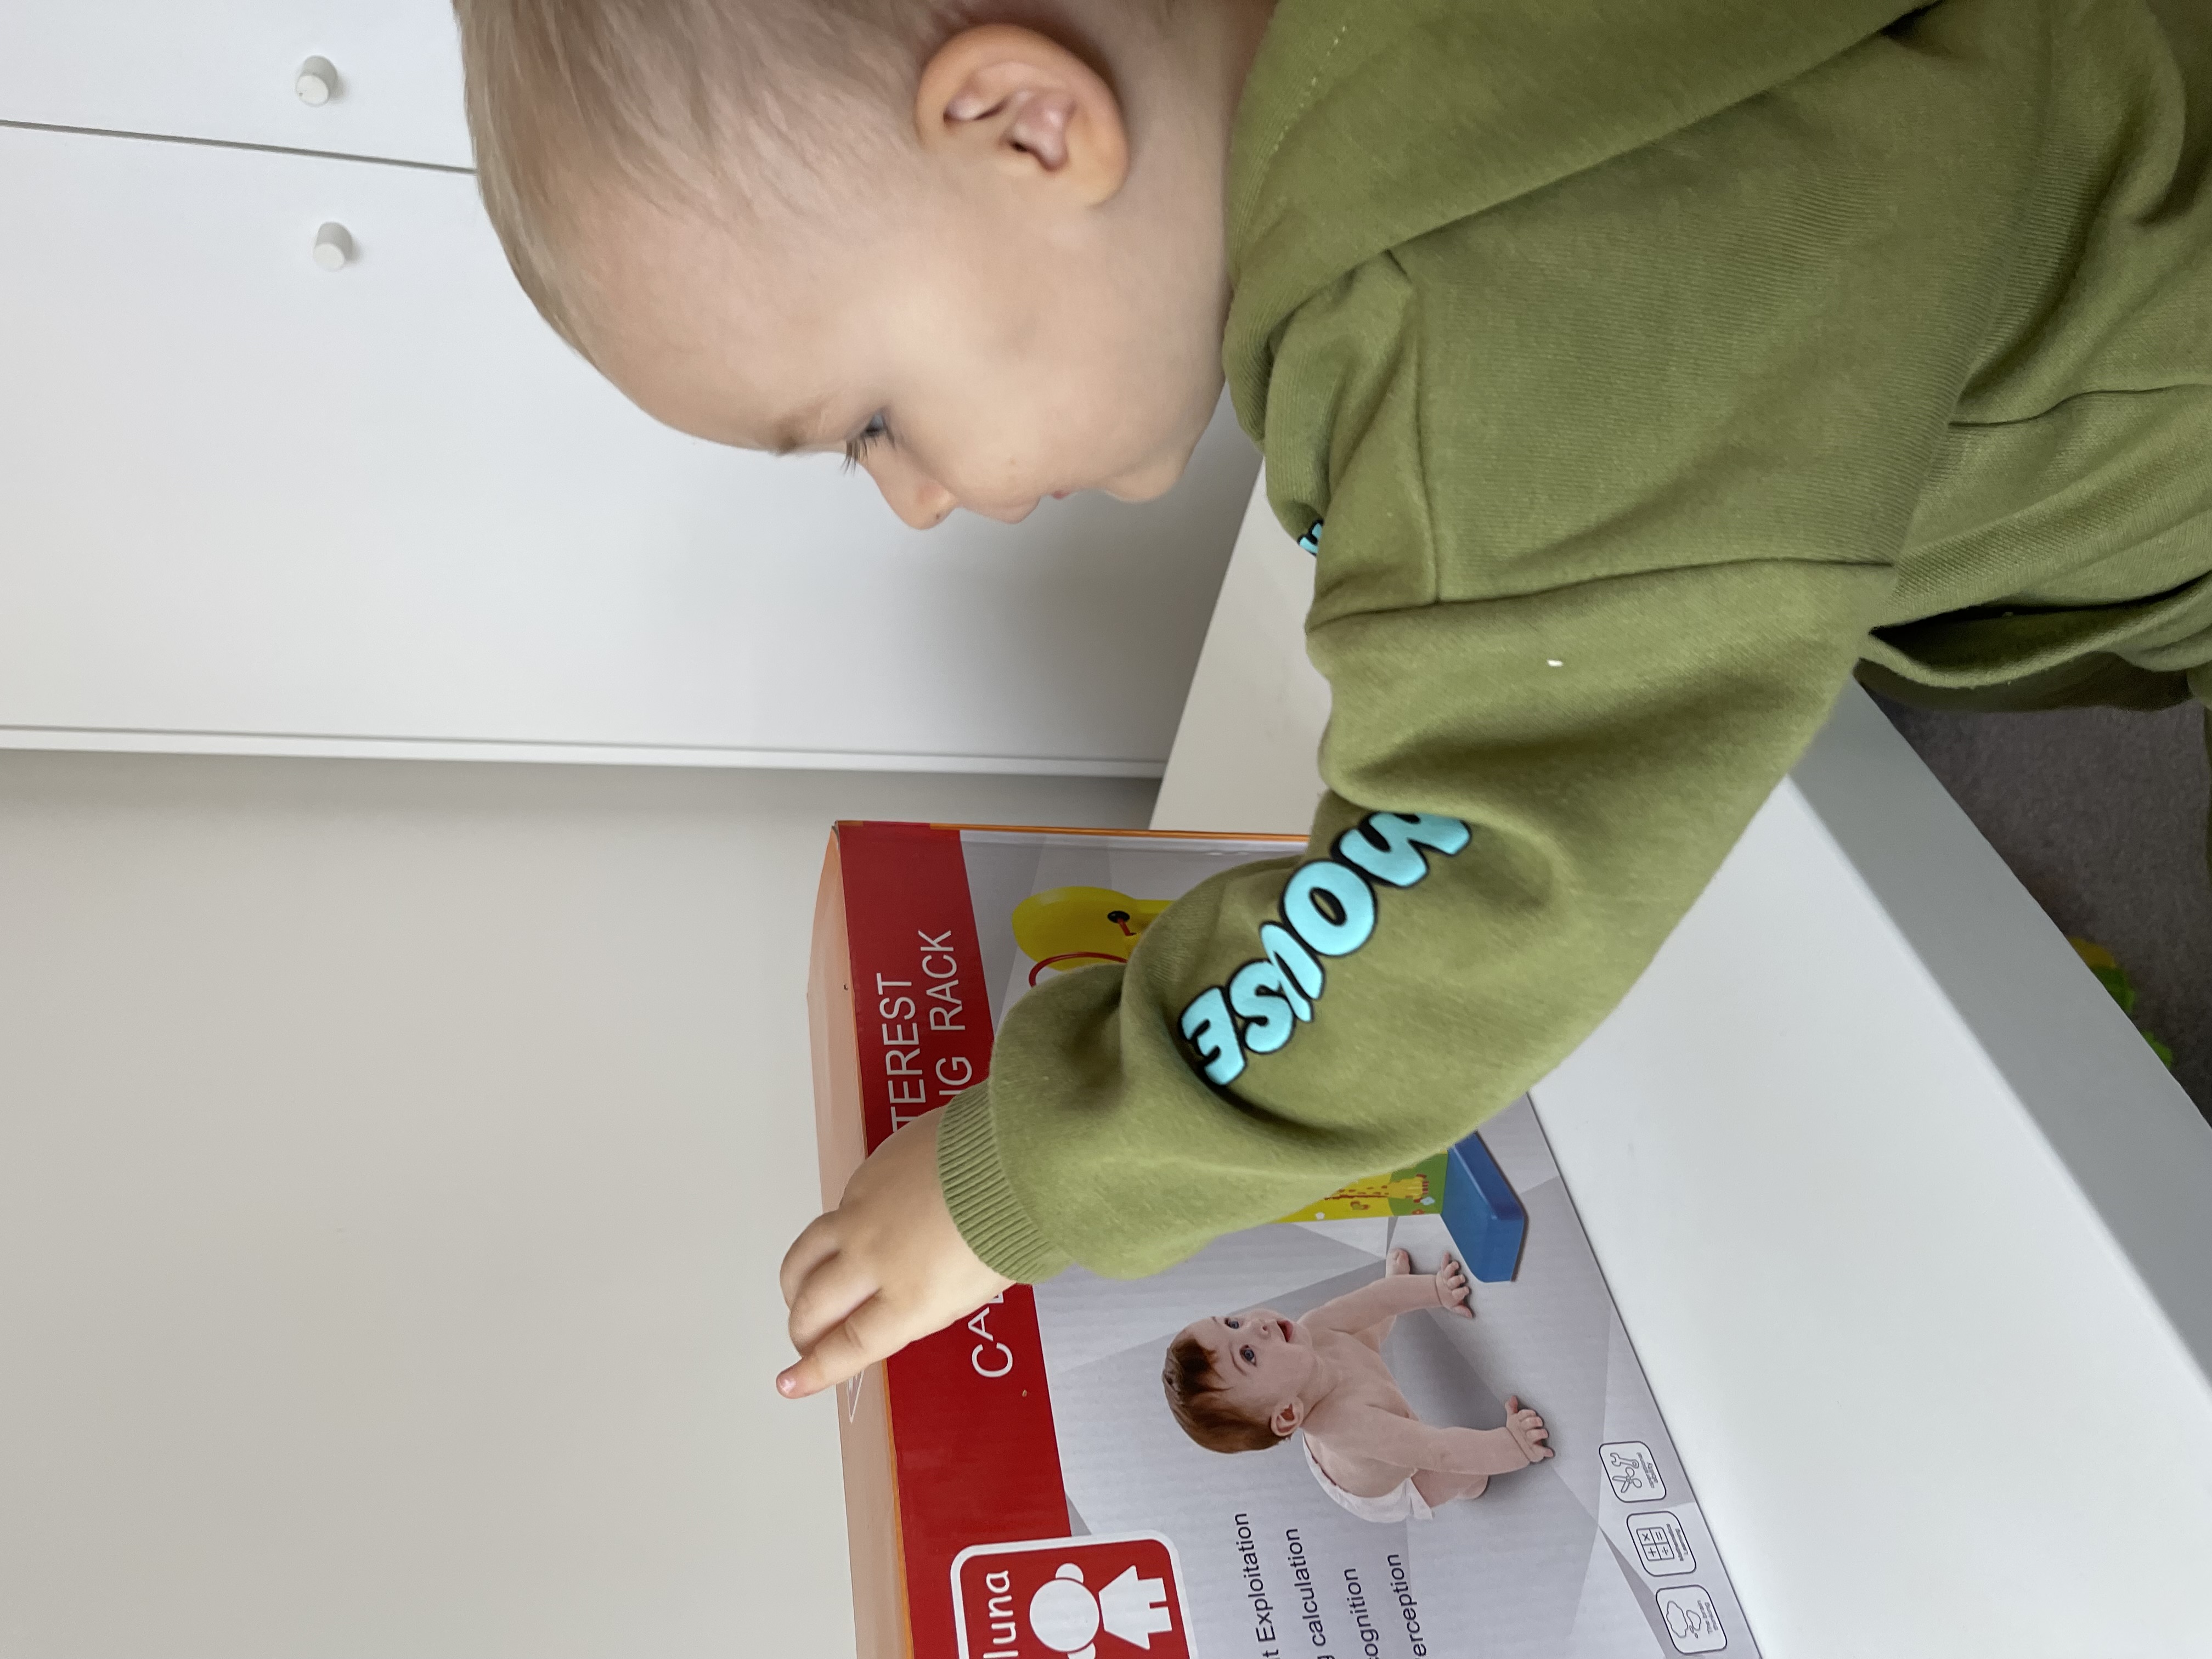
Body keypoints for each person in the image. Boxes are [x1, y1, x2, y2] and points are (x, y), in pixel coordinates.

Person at [445, 0, 2212, 1400]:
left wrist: (1018, 1181)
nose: (914, 498)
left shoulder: (1481, 325)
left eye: (872, 424)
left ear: (1028, 126)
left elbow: (1462, 905)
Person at [1164, 1249, 1553, 1523]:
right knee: (1461, 1473)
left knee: (1363, 1332)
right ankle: (1473, 1490)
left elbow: (1375, 1300)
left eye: (1233, 1323)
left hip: (1333, 1399)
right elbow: (1442, 1452)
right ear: (1286, 1413)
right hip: (1390, 1487)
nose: (1255, 1326)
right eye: (1248, 1355)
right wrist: (1513, 1446)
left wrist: (1436, 1291)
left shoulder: (1310, 1329)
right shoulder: (1353, 1427)